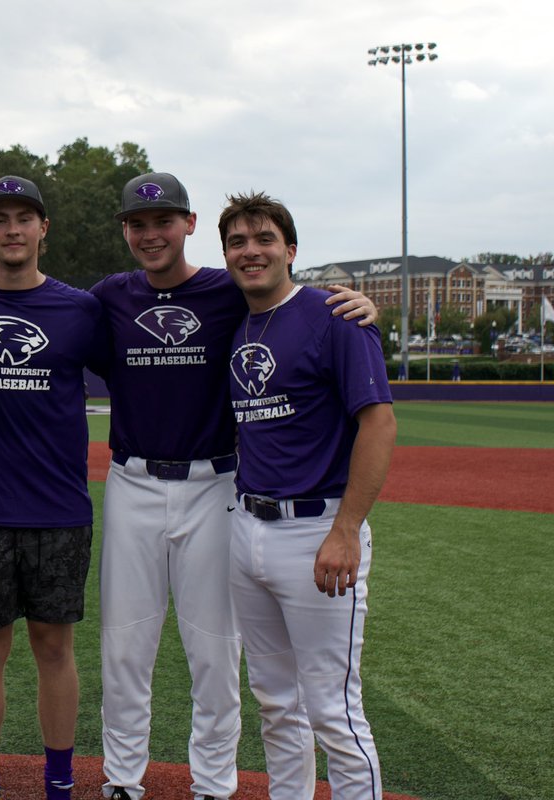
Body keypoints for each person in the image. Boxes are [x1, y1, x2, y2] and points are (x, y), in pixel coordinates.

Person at [90, 173, 378, 800]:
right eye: (138, 223)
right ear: (125, 231)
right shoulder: (110, 296)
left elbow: (293, 299)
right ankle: (121, 781)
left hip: (215, 485)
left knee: (217, 654)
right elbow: (45, 314)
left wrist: (354, 302)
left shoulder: (229, 291)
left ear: (189, 226)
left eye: (164, 221)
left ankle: (214, 786)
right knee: (124, 648)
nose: (150, 233)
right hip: (133, 481)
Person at [220, 191, 395, 800]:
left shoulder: (334, 316)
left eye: (264, 239)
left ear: (290, 251)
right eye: (238, 242)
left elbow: (378, 423)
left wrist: (346, 530)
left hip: (317, 529)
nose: (251, 251)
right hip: (247, 527)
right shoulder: (234, 321)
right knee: (275, 701)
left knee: (333, 710)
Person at [0, 176, 107, 800]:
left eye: (25, 218)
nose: (13, 229)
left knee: (54, 648)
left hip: (60, 509)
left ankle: (58, 782)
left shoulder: (81, 310)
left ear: (44, 229)